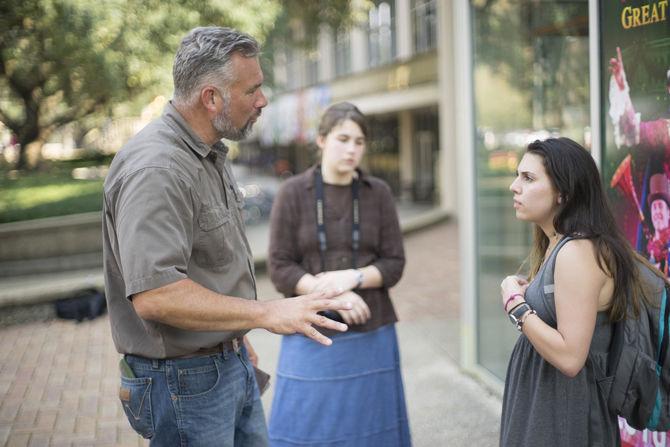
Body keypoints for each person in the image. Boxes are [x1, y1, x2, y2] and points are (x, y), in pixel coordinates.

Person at [102, 27, 351, 447]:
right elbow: (156, 295)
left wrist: (235, 339)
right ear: (211, 98)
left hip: (225, 361)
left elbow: (207, 268)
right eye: (252, 89)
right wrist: (266, 313)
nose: (263, 100)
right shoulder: (158, 170)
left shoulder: (208, 151)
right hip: (184, 383)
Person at [499, 137, 662, 446]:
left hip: (565, 419)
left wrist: (515, 305)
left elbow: (571, 357)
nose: (514, 186)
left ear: (564, 192)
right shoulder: (557, 245)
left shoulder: (577, 252)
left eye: (528, 178)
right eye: (518, 175)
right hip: (545, 410)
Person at [266, 102, 412, 447]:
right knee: (305, 429)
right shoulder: (291, 193)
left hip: (372, 331)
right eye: (343, 139)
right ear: (321, 140)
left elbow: (394, 263)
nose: (352, 149)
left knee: (373, 429)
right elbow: (280, 266)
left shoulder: (379, 194)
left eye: (359, 142)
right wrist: (332, 294)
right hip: (310, 328)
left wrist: (353, 277)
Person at [647, 173, 670, 274]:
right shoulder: (646, 251)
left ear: (668, 213)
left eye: (660, 206)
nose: (657, 212)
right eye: (654, 207)